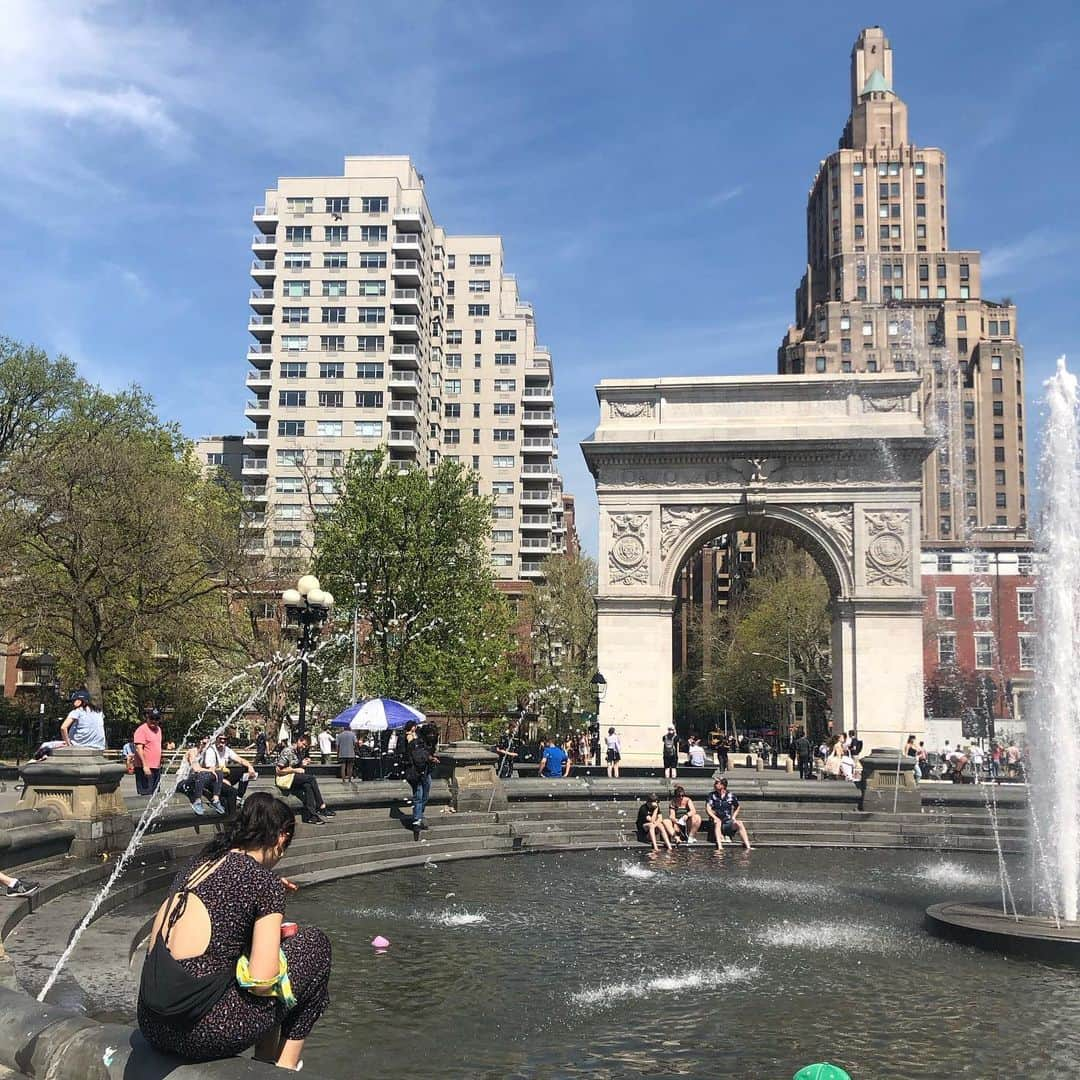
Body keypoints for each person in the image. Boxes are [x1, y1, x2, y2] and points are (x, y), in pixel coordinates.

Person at [137, 792, 331, 1069]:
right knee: (315, 946)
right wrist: (273, 932)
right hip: (199, 1031)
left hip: (152, 1024)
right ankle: (284, 1069)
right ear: (281, 838)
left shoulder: (198, 864)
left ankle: (265, 1062)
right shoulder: (263, 883)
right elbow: (262, 982)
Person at [276, 735, 335, 825]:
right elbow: (279, 770)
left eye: (305, 746)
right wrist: (295, 770)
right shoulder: (287, 751)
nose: (304, 747)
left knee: (308, 786)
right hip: (285, 778)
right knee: (311, 779)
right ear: (299, 740)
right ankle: (321, 806)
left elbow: (298, 768)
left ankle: (311, 816)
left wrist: (303, 764)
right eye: (303, 744)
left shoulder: (300, 752)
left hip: (294, 778)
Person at [399, 720, 438, 830]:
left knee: (425, 794)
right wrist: (430, 758)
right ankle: (417, 819)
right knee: (418, 794)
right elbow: (417, 755)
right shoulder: (411, 740)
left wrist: (431, 758)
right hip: (414, 771)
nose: (432, 736)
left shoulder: (424, 740)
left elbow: (426, 752)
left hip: (425, 770)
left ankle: (419, 815)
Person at [203, 734, 258, 803]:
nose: (222, 741)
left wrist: (250, 766)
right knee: (229, 789)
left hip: (224, 774)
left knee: (245, 770)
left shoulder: (227, 750)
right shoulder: (210, 751)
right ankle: (220, 799)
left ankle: (239, 797)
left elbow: (240, 760)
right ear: (216, 739)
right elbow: (210, 770)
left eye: (224, 739)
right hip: (213, 778)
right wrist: (223, 780)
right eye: (220, 739)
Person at [183, 738, 227, 816]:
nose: (206, 746)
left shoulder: (205, 753)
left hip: (197, 780)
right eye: (204, 743)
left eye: (208, 744)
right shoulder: (192, 752)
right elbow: (196, 769)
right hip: (184, 781)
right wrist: (210, 771)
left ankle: (215, 800)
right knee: (202, 773)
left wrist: (215, 772)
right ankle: (197, 801)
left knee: (219, 772)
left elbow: (211, 768)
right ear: (198, 742)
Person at [705, 778, 752, 851]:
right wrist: (714, 817)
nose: (715, 785)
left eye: (717, 783)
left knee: (739, 823)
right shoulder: (712, 795)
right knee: (718, 822)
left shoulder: (730, 795)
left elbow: (737, 806)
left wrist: (734, 817)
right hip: (715, 823)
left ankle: (748, 846)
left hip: (727, 822)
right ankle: (720, 847)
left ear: (723, 785)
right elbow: (708, 808)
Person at [133, 708, 165, 796]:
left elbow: (156, 746)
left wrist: (160, 758)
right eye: (151, 718)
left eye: (156, 719)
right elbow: (139, 749)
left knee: (155, 794)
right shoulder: (141, 730)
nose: (154, 721)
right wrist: (145, 766)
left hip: (156, 767)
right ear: (147, 717)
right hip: (145, 768)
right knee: (146, 795)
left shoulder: (158, 730)